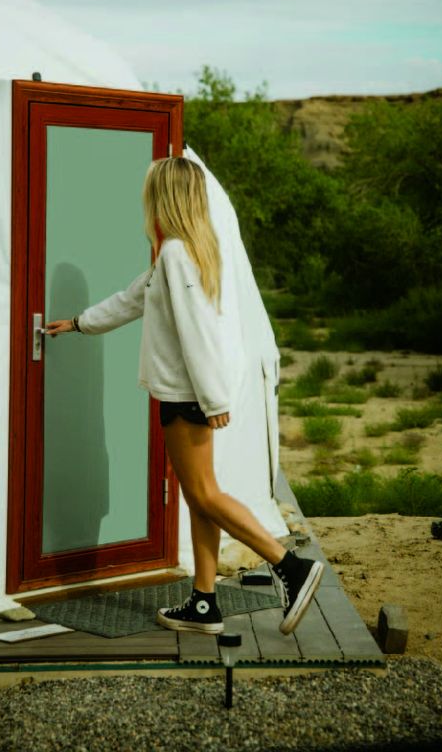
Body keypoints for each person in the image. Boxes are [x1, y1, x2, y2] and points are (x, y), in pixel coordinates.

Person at [45, 156, 323, 636]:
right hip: (192, 392)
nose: (146, 200)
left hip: (188, 396)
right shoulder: (187, 250)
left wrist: (214, 402)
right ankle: (204, 602)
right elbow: (131, 298)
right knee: (200, 498)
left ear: (165, 197)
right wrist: (78, 323)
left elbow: (200, 332)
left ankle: (290, 567)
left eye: (151, 191)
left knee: (204, 494)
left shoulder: (176, 254)